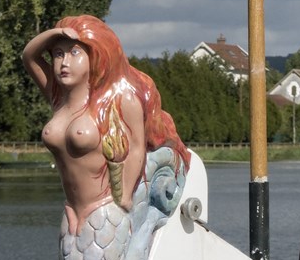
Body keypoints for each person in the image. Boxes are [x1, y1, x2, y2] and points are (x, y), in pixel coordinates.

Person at [22, 17, 188, 239]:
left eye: (74, 53)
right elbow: (28, 57)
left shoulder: (120, 99)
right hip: (71, 214)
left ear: (95, 56)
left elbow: (137, 148)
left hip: (106, 210)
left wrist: (125, 199)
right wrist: (55, 33)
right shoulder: (58, 97)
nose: (64, 63)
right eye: (58, 54)